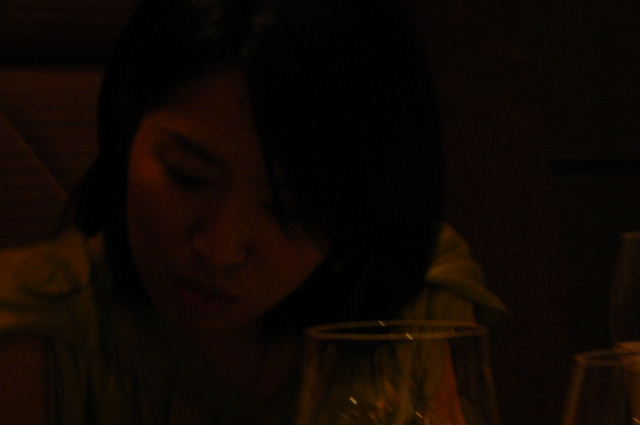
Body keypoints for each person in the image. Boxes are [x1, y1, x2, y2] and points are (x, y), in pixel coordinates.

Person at [0, 0, 506, 423]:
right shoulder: (34, 328)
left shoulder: (412, 300)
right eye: (188, 177)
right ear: (125, 128)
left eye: (291, 210)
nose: (219, 250)